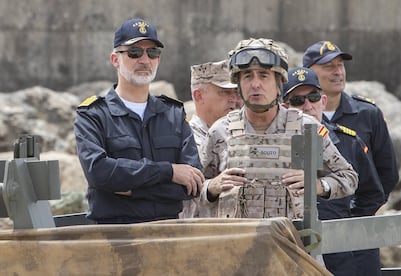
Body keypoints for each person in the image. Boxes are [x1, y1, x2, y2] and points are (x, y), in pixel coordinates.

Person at [199, 38, 358, 219]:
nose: (255, 84)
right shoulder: (221, 130)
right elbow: (191, 190)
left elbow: (348, 177)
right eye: (248, 76)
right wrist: (211, 187)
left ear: (278, 84)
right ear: (239, 84)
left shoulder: (305, 129)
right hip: (235, 244)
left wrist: (318, 185)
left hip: (289, 243)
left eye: (264, 75)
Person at [73, 17, 204, 224]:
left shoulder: (174, 114)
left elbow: (191, 184)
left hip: (169, 236)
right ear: (115, 60)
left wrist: (127, 189)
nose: (144, 60)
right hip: (116, 238)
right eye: (134, 52)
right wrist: (168, 171)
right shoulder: (93, 115)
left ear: (158, 60)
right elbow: (99, 173)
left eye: (152, 53)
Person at [303, 41, 399, 276]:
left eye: (340, 65)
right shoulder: (291, 118)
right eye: (328, 66)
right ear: (309, 72)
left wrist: (355, 216)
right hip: (307, 230)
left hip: (355, 230)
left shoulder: (368, 114)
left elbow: (386, 175)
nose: (337, 72)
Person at [283, 66, 384, 276]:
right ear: (284, 107)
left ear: (323, 101)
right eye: (297, 101)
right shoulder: (276, 147)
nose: (307, 106)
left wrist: (345, 226)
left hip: (342, 251)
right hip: (292, 249)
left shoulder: (348, 141)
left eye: (313, 97)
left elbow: (372, 193)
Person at [179, 59, 240, 218]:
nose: (234, 99)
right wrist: (211, 187)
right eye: (225, 92)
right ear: (199, 96)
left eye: (236, 92)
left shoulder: (240, 134)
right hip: (198, 234)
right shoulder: (181, 138)